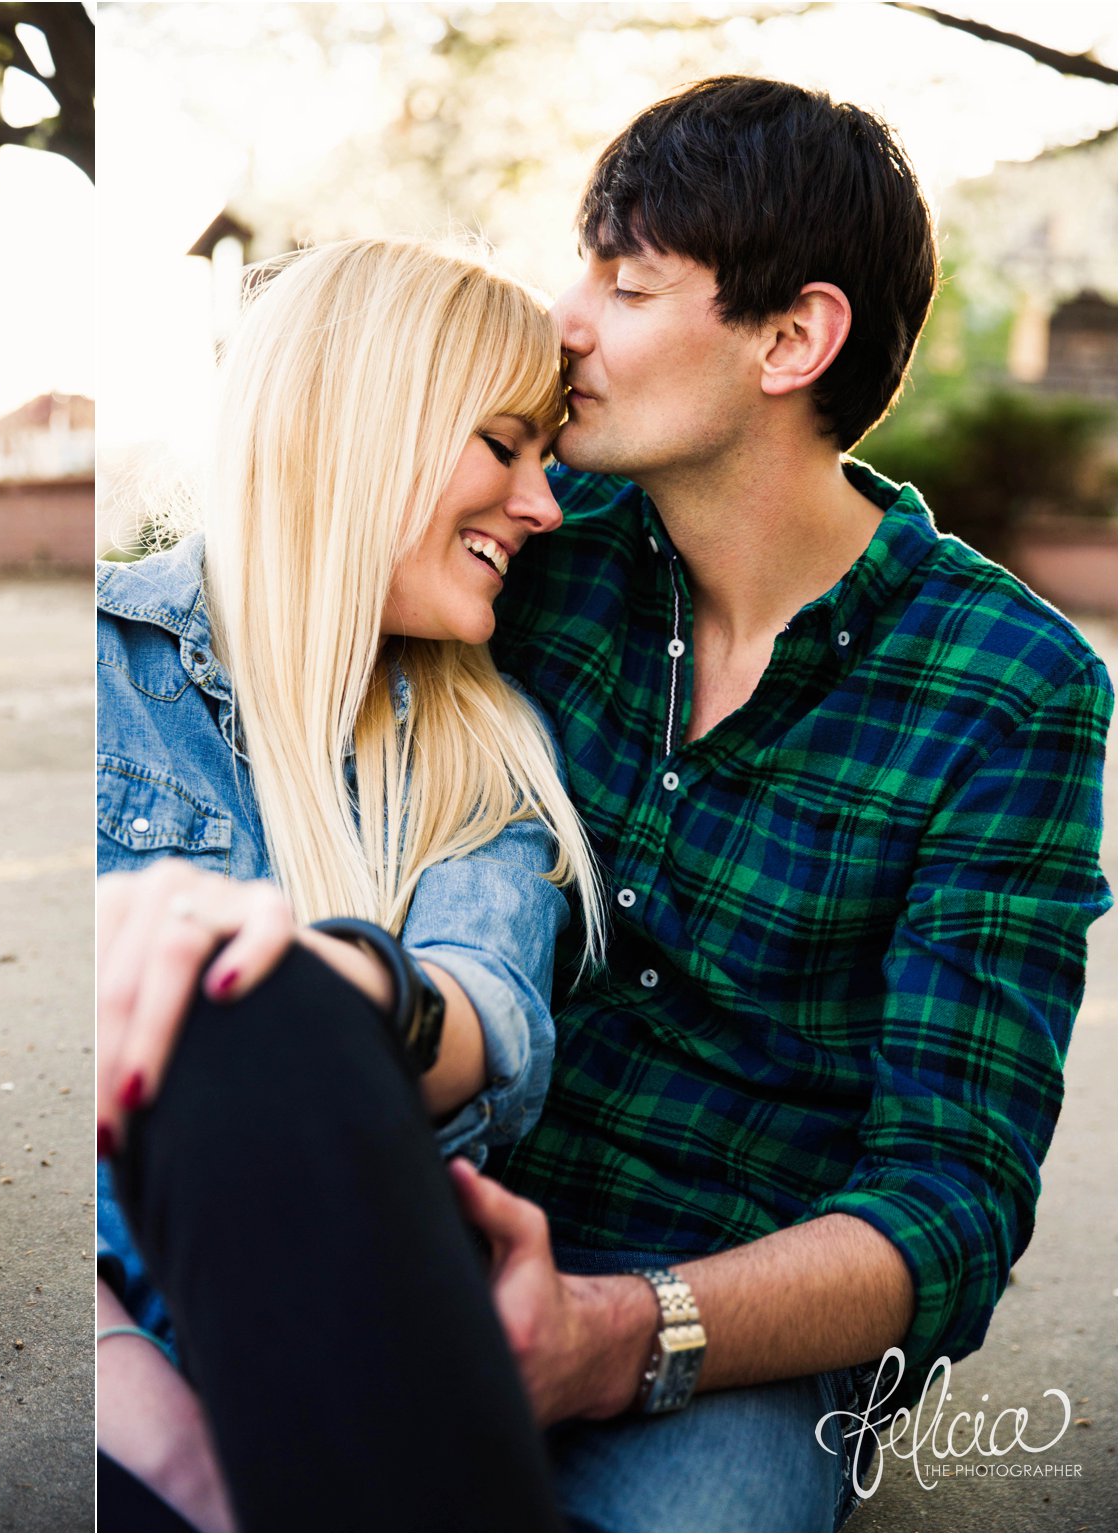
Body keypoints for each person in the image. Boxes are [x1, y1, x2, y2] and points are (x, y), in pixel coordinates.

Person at [453, 77, 1110, 1530]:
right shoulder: (535, 544)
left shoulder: (1010, 685)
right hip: (449, 1207)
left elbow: (954, 1198)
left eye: (624, 284)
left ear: (795, 337)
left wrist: (623, 1328)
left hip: (735, 1307)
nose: (566, 320)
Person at [94, 238, 607, 1530]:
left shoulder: (482, 742)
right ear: (360, 421)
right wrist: (129, 1389)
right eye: (503, 443)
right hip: (117, 1358)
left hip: (352, 1331)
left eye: (546, 455)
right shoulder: (103, 661)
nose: (543, 503)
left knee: (244, 990)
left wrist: (338, 984)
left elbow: (491, 1013)